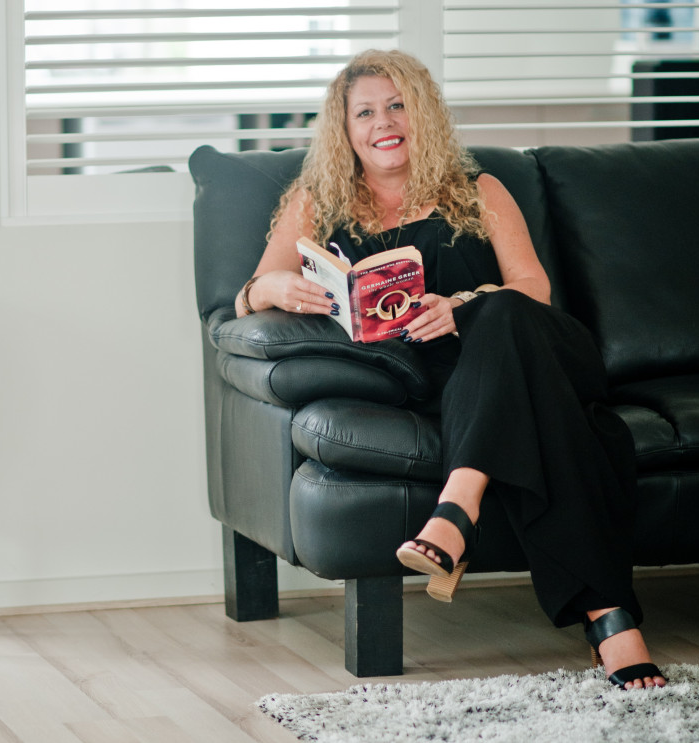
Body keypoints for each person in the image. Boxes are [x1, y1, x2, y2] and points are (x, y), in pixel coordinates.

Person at [234, 49, 666, 690]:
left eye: (397, 105)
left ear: (423, 113)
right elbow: (248, 293)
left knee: (501, 311)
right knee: (571, 428)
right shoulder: (316, 201)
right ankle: (611, 618)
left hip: (539, 351)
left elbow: (533, 292)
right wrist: (276, 289)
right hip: (454, 390)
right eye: (365, 112)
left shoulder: (477, 189)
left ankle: (455, 510)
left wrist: (463, 306)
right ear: (344, 129)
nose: (384, 122)